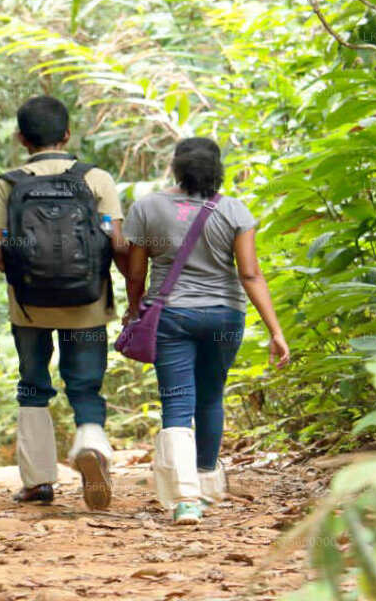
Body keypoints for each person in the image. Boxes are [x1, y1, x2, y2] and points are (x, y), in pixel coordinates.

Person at [122, 137, 290, 525]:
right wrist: (275, 330)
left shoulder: (148, 207)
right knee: (211, 398)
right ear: (218, 168)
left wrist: (135, 309)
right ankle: (207, 484)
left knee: (177, 403)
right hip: (224, 316)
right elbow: (250, 273)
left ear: (176, 167)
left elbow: (136, 272)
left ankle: (186, 500)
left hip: (171, 315)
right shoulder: (234, 210)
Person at [0, 96, 130, 510]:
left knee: (32, 385)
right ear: (67, 134)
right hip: (88, 302)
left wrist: (24, 276)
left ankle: (38, 482)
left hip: (28, 306)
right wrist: (124, 285)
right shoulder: (96, 179)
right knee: (85, 382)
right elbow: (117, 243)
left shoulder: (7, 183)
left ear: (20, 138)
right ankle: (91, 442)